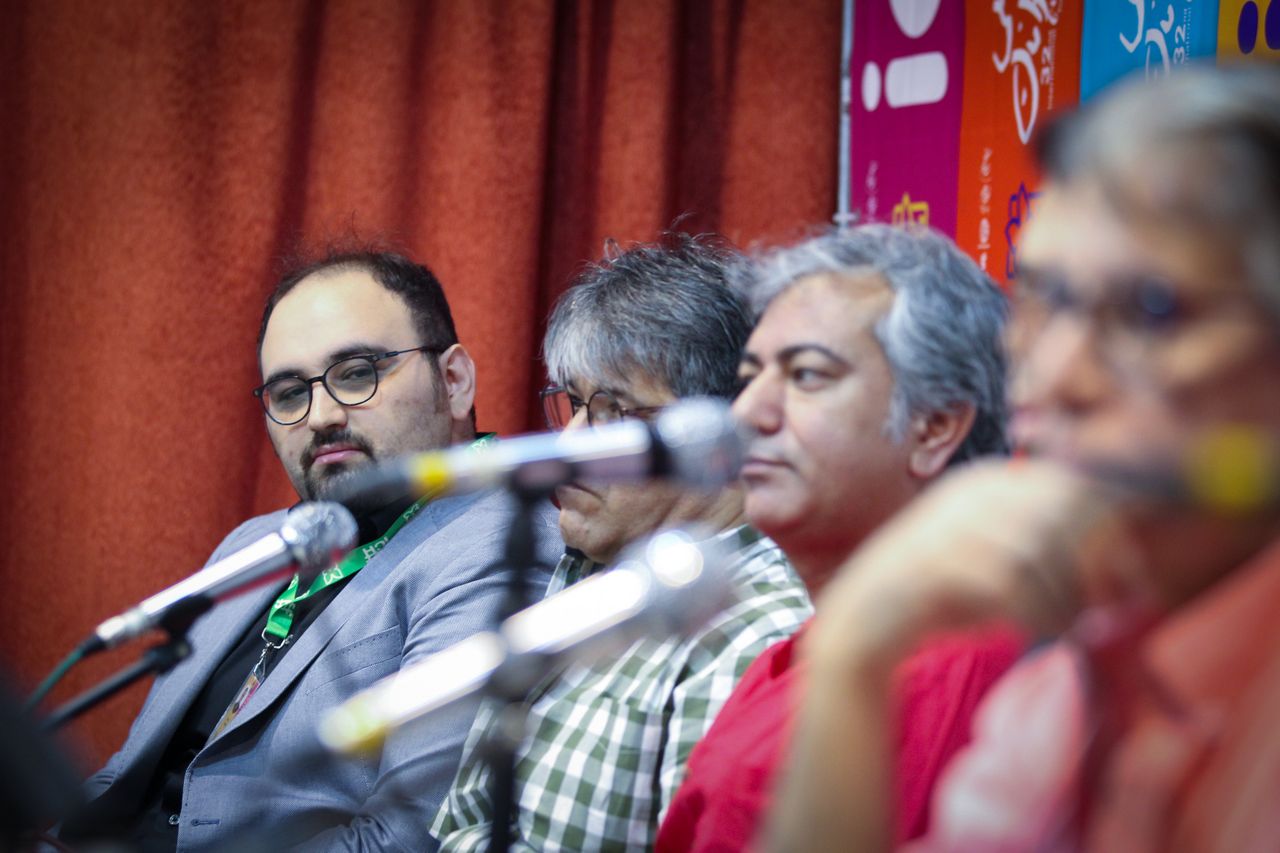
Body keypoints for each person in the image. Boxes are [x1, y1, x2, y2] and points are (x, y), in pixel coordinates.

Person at [770, 63, 1280, 851]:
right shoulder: (1066, 682)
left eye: (1150, 311)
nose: (1056, 374)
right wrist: (850, 659)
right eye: (1043, 299)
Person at [59, 248, 562, 851]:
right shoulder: (254, 544)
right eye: (290, 392)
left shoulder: (504, 544)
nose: (321, 416)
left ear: (453, 381)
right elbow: (127, 778)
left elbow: (402, 841)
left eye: (356, 373)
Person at [432, 233, 813, 851]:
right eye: (575, 405)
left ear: (718, 438)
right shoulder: (591, 570)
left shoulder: (752, 633)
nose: (571, 444)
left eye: (612, 412)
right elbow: (461, 820)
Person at [657, 224, 1021, 852]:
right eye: (750, 376)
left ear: (935, 426)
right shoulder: (799, 653)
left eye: (806, 376)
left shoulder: (957, 667)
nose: (746, 413)